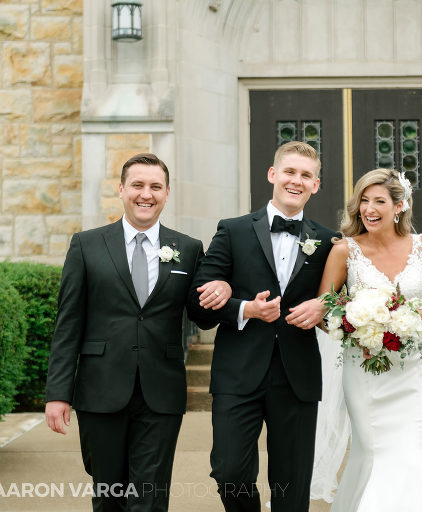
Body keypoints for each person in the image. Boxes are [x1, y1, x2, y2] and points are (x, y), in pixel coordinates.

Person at [45, 153, 216, 511]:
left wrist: (228, 295)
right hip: (100, 389)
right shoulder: (86, 245)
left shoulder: (187, 249)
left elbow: (201, 316)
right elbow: (68, 324)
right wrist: (58, 393)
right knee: (109, 494)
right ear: (121, 189)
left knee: (150, 496)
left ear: (167, 193)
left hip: (161, 392)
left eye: (155, 186)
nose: (146, 194)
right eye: (137, 185)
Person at [187, 141, 336, 512]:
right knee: (229, 473)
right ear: (272, 174)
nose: (296, 181)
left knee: (291, 486)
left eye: (306, 175)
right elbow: (196, 304)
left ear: (316, 184)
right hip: (238, 372)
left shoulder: (330, 241)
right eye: (289, 171)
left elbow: (344, 302)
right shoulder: (233, 230)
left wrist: (325, 307)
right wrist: (243, 309)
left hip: (296, 375)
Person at [317, 168, 422, 511]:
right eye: (363, 201)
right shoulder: (346, 251)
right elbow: (326, 311)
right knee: (373, 450)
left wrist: (418, 315)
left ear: (399, 205)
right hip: (365, 368)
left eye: (379, 201)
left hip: (414, 369)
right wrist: (358, 326)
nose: (368, 209)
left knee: (413, 450)